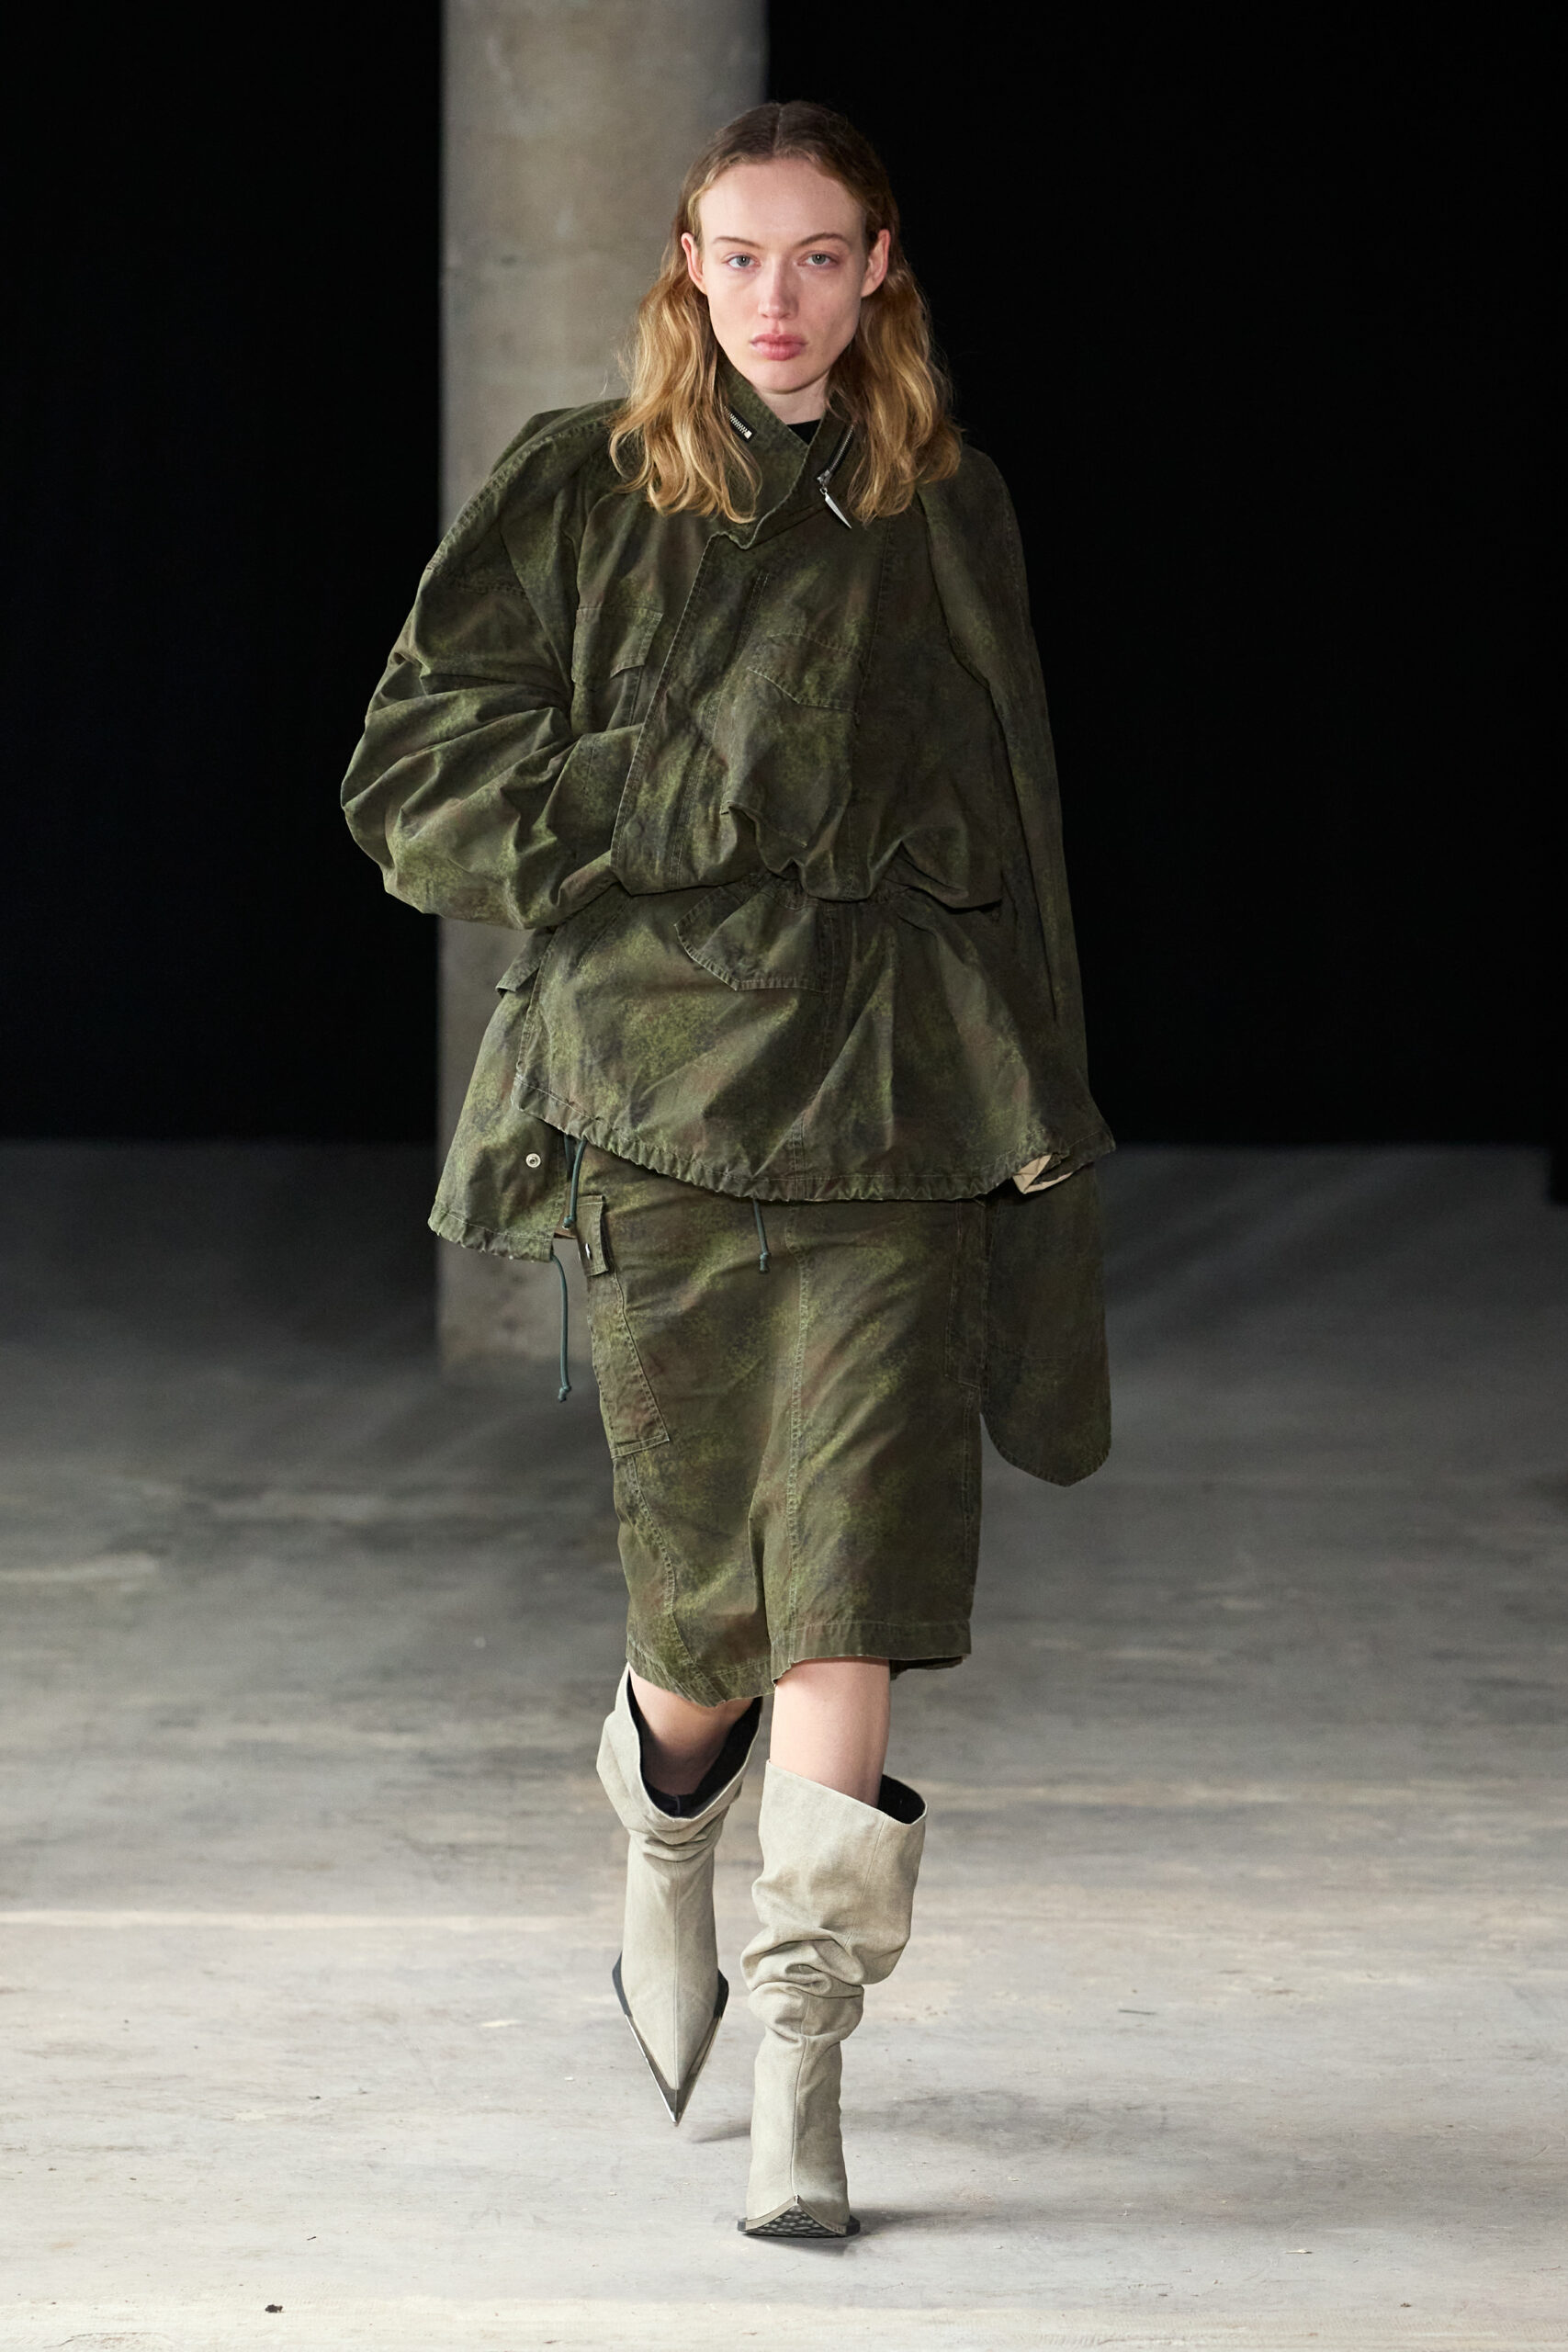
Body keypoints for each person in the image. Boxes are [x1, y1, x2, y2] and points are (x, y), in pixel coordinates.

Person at [342, 100, 1113, 2241]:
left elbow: (1025, 833)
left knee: (850, 1576)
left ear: (880, 273)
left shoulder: (944, 503)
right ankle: (664, 1802)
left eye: (819, 255)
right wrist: (671, 798)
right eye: (739, 254)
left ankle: (803, 2055)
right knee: (706, 1615)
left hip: (899, 1104)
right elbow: (409, 782)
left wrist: (1046, 1118)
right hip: (663, 1102)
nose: (777, 297)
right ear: (686, 265)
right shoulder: (579, 488)